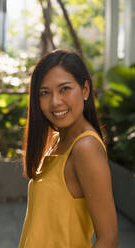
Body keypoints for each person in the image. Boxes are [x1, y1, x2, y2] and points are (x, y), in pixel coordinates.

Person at [18, 49, 118, 248]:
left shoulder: (85, 147)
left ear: (85, 90)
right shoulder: (58, 140)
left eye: (64, 89)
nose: (55, 101)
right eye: (45, 93)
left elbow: (109, 239)